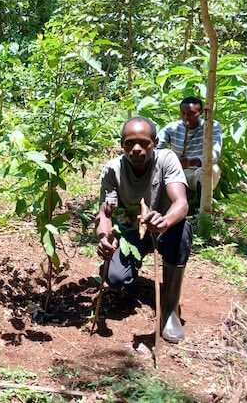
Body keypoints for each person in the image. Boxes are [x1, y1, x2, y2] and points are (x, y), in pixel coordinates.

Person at [96, 117, 190, 343]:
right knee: (117, 278)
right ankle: (123, 271)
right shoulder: (113, 170)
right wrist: (103, 237)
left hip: (163, 228)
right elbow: (105, 213)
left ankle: (169, 309)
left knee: (182, 229)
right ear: (122, 144)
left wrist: (165, 221)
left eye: (144, 143)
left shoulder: (166, 160)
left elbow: (181, 203)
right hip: (131, 232)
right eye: (129, 143)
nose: (136, 148)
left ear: (155, 142)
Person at [159, 96, 222, 199]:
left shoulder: (211, 126)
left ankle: (201, 203)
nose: (186, 117)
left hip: (197, 172)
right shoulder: (173, 127)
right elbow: (157, 144)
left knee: (214, 169)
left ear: (201, 113)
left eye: (191, 114)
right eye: (183, 113)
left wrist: (191, 162)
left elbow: (215, 154)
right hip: (175, 173)